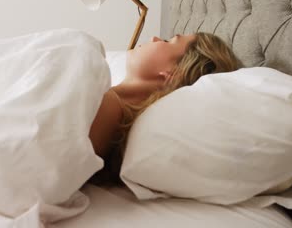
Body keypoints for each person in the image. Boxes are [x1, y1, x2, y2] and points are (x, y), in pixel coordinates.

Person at [88, 32, 240, 185]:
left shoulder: (109, 109)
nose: (153, 38)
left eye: (167, 41)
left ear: (177, 72)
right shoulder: (106, 96)